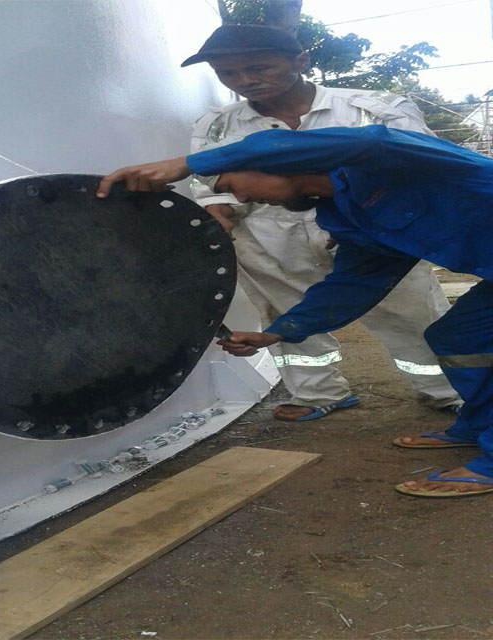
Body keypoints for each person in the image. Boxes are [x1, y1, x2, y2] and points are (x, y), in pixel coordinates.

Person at [95, 124, 493, 497]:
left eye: (230, 185)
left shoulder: (387, 159)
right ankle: (478, 425)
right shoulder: (347, 215)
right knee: (458, 337)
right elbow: (355, 283)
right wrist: (277, 331)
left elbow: (373, 140)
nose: (241, 200)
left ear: (272, 160)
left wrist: (187, 164)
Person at [182, 24, 459, 421]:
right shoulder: (216, 125)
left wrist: (359, 220)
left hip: (373, 230)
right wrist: (217, 210)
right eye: (227, 73)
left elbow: (417, 169)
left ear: (301, 61)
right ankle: (316, 392)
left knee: (410, 312)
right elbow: (208, 180)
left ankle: (448, 391)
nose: (244, 81)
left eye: (259, 67)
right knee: (284, 313)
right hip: (267, 234)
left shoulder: (375, 109)